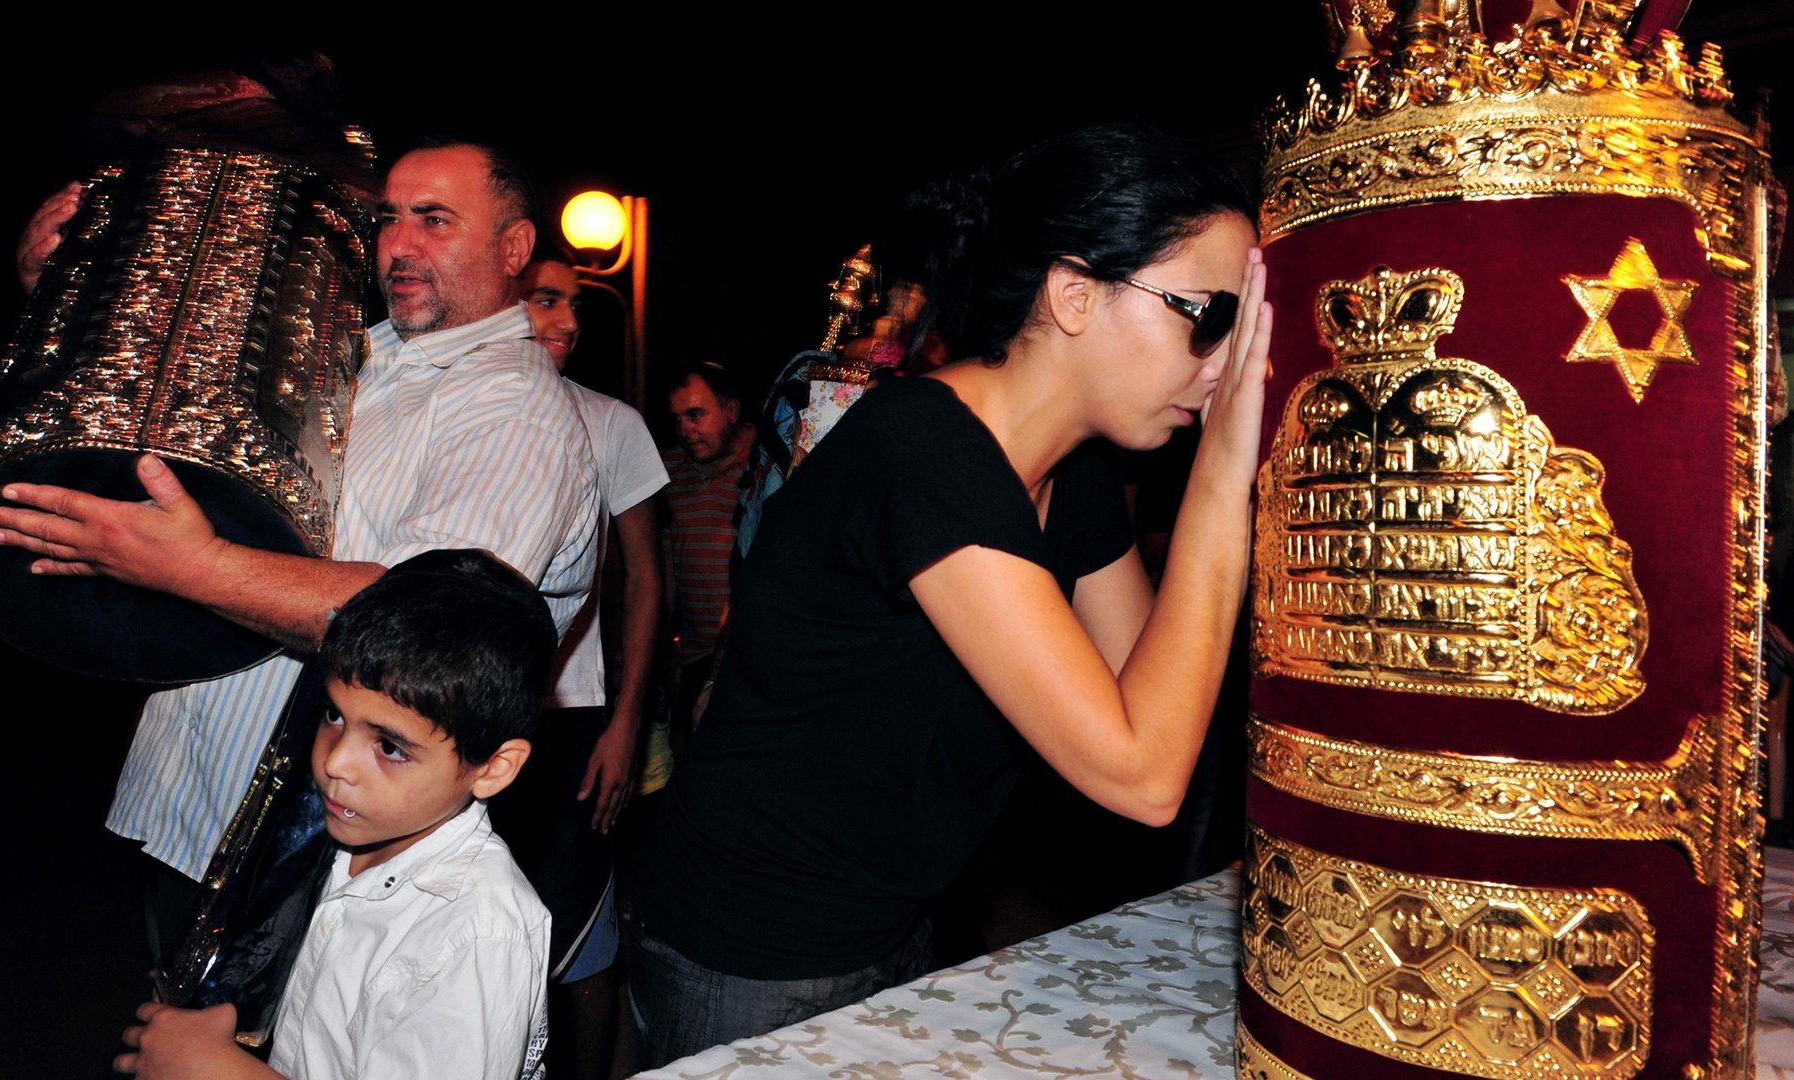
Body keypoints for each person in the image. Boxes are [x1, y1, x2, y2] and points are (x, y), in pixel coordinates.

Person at [626, 123, 1271, 1065]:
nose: (1220, 365)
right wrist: (1221, 476)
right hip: (749, 946)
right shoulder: (922, 450)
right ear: (1075, 293)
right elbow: (1143, 774)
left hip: (897, 921)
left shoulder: (1076, 474)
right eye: (1207, 316)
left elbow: (1153, 691)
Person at [0, 139, 600, 962]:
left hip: (313, 863)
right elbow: (164, 399)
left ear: (515, 248)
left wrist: (188, 567)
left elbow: (424, 632)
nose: (399, 244)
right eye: (388, 218)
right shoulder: (359, 353)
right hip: (203, 812)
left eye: (435, 220)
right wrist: (65, 289)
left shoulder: (514, 415)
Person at [115, 549, 557, 1080]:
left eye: (390, 747)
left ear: (494, 767)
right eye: (332, 715)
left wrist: (215, 1069)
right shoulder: (350, 834)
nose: (334, 762)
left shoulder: (477, 935)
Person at [491, 253, 666, 1080]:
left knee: (581, 932)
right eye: (543, 302)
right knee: (483, 935)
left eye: (573, 306)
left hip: (572, 721)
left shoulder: (610, 423)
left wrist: (627, 723)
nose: (566, 322)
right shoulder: (458, 412)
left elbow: (643, 579)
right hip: (473, 714)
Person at [658, 362, 754, 739]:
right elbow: (664, 572)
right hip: (694, 661)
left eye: (696, 414)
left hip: (751, 658)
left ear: (731, 412)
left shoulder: (769, 464)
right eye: (677, 418)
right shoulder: (667, 471)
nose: (685, 430)